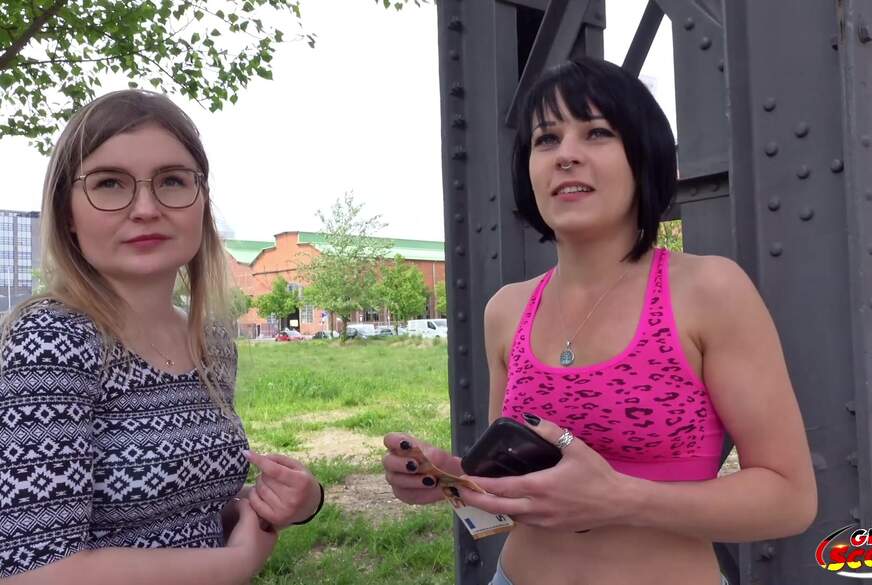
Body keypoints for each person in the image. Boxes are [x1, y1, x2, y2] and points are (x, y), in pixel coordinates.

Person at [382, 58, 817, 585]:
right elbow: (516, 491)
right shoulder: (507, 310)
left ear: (643, 156)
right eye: (546, 139)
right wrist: (450, 478)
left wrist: (620, 499)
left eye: (597, 133)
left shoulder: (709, 291)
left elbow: (790, 498)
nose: (566, 154)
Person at [0, 90, 324, 583]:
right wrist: (235, 563)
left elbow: (183, 511)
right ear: (67, 213)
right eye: (110, 183)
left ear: (202, 201)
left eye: (172, 180)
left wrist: (294, 501)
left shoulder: (210, 339)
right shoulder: (51, 341)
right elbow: (35, 569)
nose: (146, 208)